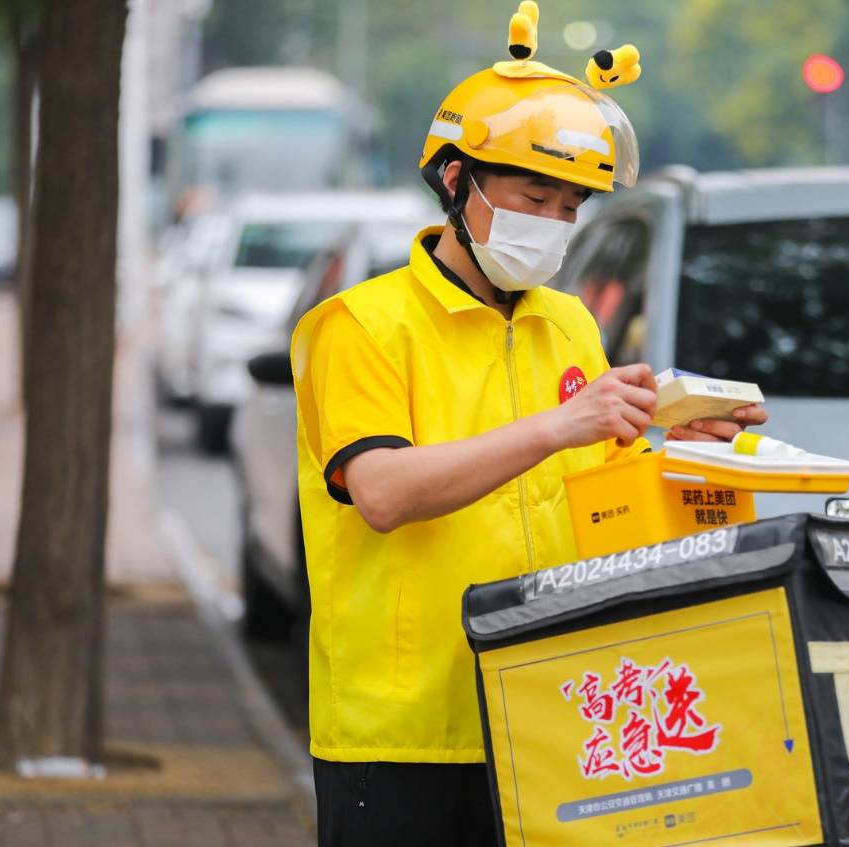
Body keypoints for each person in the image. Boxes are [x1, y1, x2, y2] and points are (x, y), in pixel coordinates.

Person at [291, 6, 765, 844]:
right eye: (530, 195)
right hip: (403, 730)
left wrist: (669, 451)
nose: (549, 222)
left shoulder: (568, 323)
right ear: (453, 181)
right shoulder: (359, 325)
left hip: (550, 707)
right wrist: (559, 425)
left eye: (568, 205)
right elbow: (382, 492)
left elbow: (588, 505)